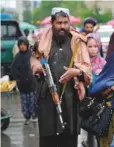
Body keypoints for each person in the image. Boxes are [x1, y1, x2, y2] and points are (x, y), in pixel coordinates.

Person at [30, 7, 92, 147]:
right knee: (48, 140)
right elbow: (33, 59)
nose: (62, 26)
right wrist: (37, 66)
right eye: (59, 23)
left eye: (65, 22)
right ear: (52, 23)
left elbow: (87, 70)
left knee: (69, 139)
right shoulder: (42, 41)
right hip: (47, 98)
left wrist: (76, 72)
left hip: (70, 98)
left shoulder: (77, 42)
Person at [80, 33, 107, 147]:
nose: (93, 49)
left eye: (95, 46)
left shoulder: (103, 63)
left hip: (99, 99)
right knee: (86, 126)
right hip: (86, 99)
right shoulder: (81, 63)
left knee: (97, 125)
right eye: (90, 46)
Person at [11, 36, 38, 125]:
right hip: (22, 84)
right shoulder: (17, 57)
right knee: (24, 102)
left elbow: (38, 64)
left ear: (27, 45)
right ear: (18, 46)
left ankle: (34, 116)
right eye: (20, 45)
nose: (22, 46)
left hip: (32, 82)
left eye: (24, 44)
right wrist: (18, 79)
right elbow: (13, 70)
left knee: (33, 100)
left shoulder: (32, 54)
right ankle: (27, 117)